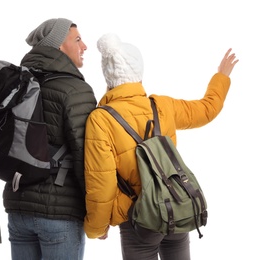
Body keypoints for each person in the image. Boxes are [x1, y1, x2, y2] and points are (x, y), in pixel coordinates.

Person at [83, 33, 238, 260]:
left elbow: (101, 182)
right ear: (139, 72)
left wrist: (97, 226)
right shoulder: (162, 105)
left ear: (107, 75)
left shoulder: (101, 119)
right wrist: (221, 76)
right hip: (177, 207)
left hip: (139, 218)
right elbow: (207, 110)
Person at [2, 18, 97, 260]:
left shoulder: (15, 84)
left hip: (18, 206)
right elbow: (87, 157)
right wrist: (97, 214)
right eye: (77, 39)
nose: (84, 46)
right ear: (58, 47)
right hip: (59, 213)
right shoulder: (75, 89)